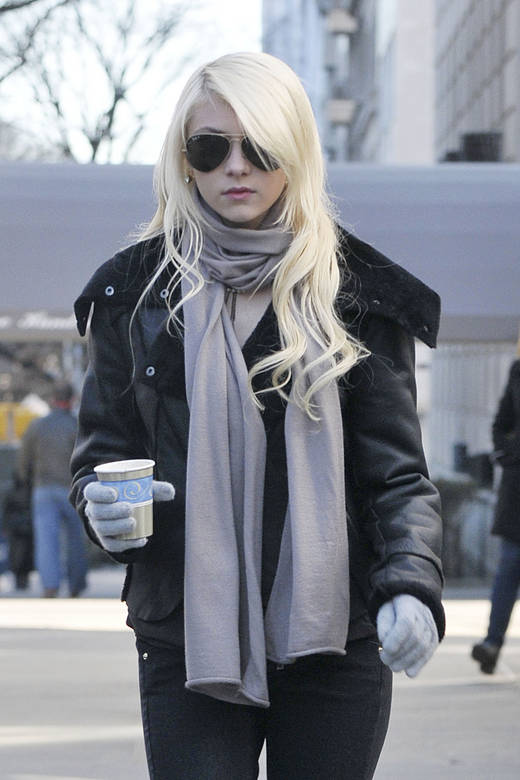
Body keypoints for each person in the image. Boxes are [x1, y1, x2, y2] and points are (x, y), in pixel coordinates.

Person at [70, 52, 445, 780]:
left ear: (294, 150)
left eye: (261, 147)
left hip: (337, 634)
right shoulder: (131, 297)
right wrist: (101, 509)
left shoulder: (359, 294)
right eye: (210, 147)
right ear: (183, 159)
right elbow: (101, 454)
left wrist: (411, 584)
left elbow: (398, 477)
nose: (236, 167)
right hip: (187, 637)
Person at [472, 357, 520, 674]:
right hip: (517, 492)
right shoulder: (518, 370)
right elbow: (501, 424)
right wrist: (508, 454)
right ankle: (492, 644)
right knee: (508, 568)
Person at [19, 381, 87, 597]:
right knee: (76, 539)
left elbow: (24, 462)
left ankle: (50, 585)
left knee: (46, 540)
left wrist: (26, 480)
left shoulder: (37, 426)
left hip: (44, 489)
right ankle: (76, 584)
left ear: (52, 400)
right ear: (72, 400)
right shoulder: (78, 425)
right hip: (73, 489)